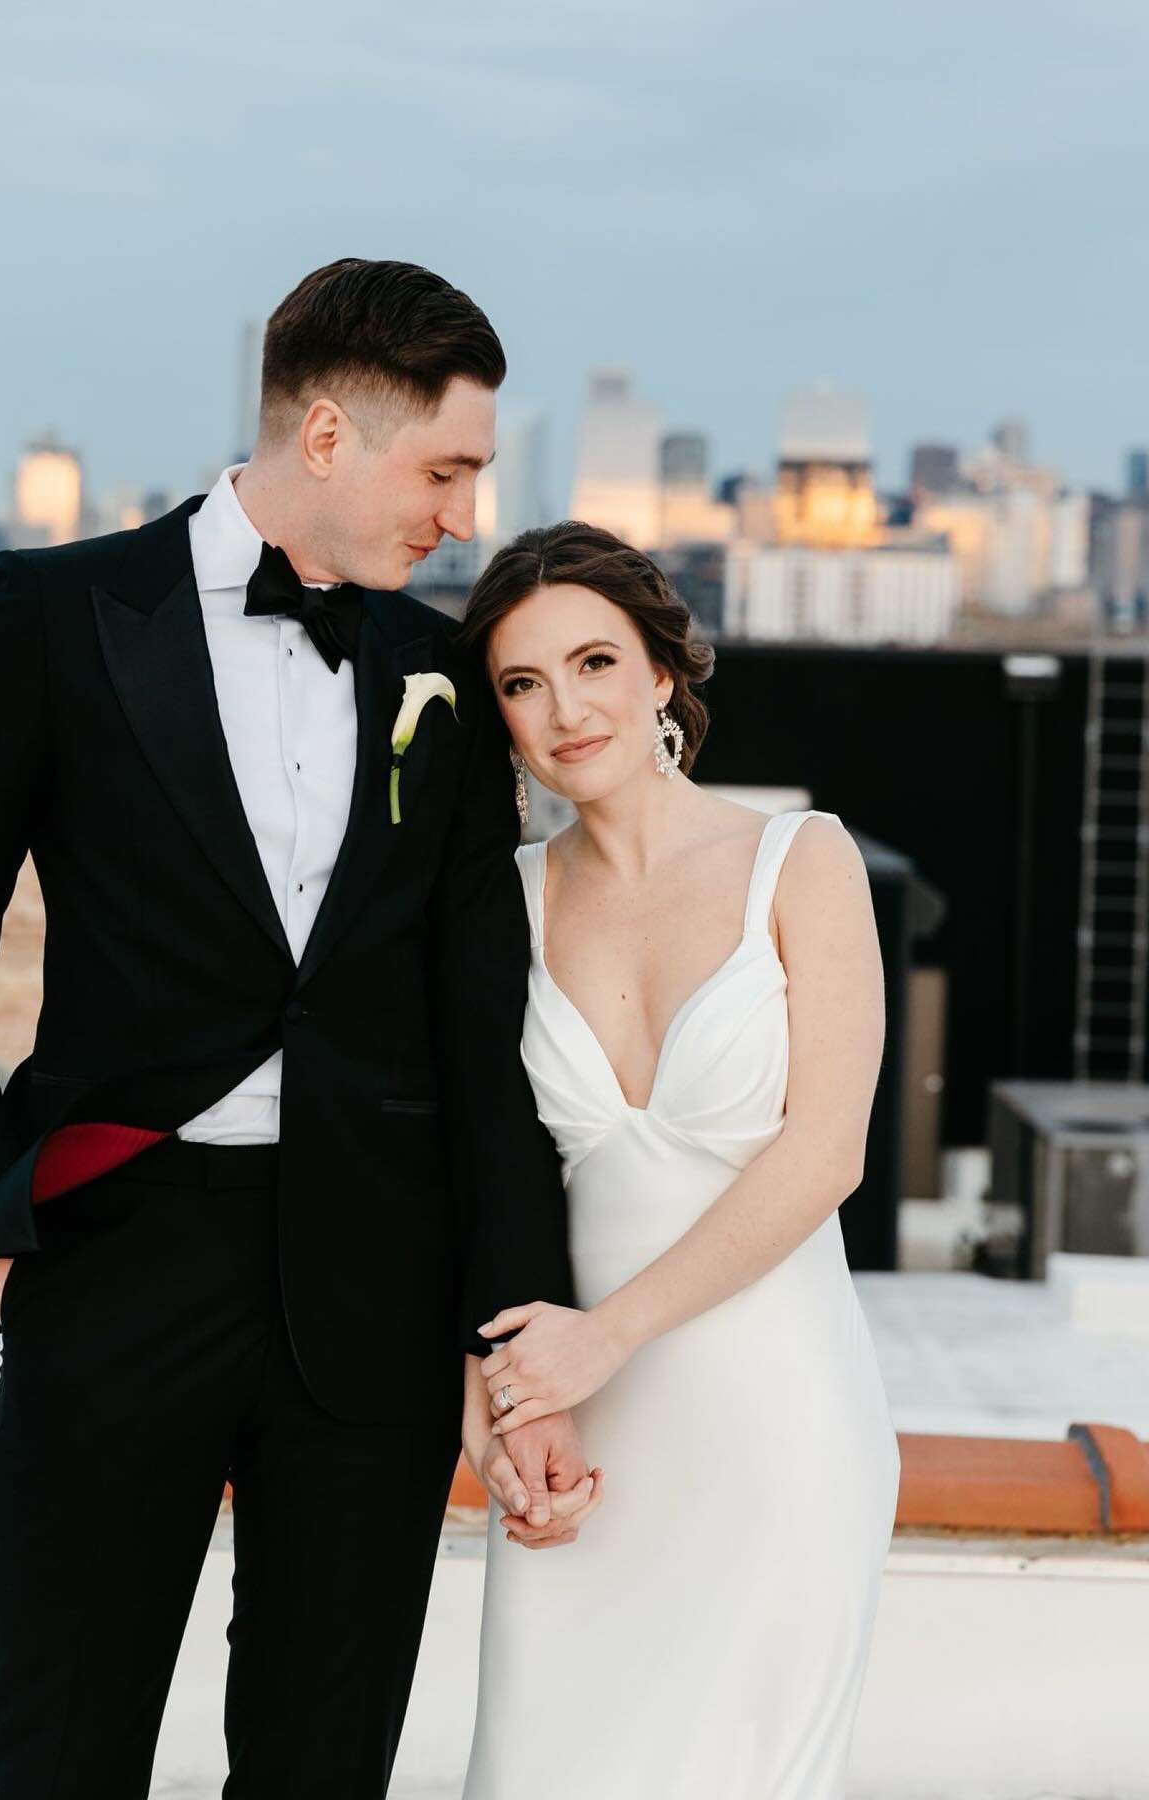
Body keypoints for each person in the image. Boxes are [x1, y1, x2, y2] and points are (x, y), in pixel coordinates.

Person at [0, 258, 597, 1800]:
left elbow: (485, 1032)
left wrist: (514, 1332)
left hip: (377, 1289)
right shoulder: (55, 614)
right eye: (448, 466)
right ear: (326, 434)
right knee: (61, 1755)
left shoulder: (439, 674)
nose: (464, 513)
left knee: (325, 1764)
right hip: (118, 1259)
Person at [456, 521, 901, 1799]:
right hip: (577, 1440)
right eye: (522, 684)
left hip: (777, 1422)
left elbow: (825, 1156)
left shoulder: (800, 859)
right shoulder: (505, 898)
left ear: (663, 674)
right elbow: (475, 1178)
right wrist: (494, 1407)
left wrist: (608, 1334)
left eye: (595, 662)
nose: (564, 710)